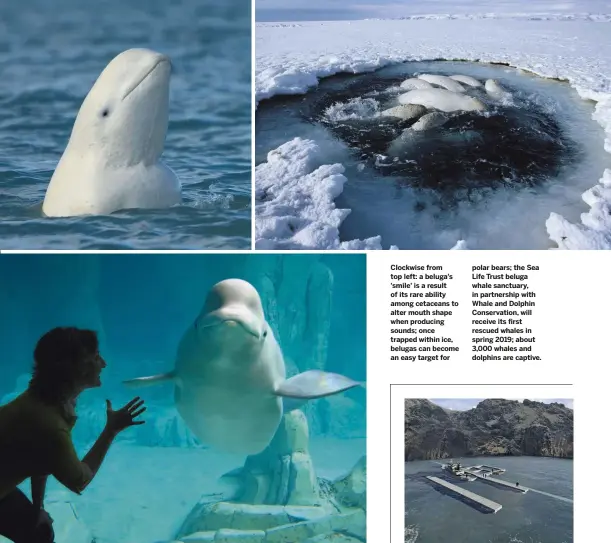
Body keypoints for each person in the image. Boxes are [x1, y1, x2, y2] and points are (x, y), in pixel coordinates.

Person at [0, 327, 147, 543]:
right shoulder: (50, 424)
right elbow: (80, 480)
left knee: (38, 532)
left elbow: (40, 460)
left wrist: (37, 508)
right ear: (76, 367)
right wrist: (111, 430)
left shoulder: (45, 400)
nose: (103, 364)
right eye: (96, 357)